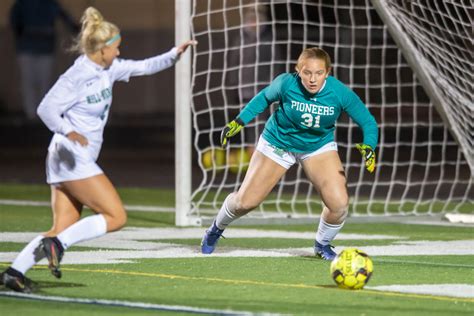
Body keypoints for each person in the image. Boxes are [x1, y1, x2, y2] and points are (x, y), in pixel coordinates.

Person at [0, 7, 197, 293]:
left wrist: (174, 54)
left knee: (63, 226)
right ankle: (57, 245)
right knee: (116, 216)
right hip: (70, 156)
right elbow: (46, 109)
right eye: (115, 49)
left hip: (68, 158)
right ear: (100, 49)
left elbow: (143, 66)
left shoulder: (108, 68)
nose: (118, 53)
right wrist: (69, 131)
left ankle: (14, 273)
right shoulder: (77, 75)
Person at [201, 47, 378, 259]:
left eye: (319, 73)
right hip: (278, 143)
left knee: (339, 204)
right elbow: (263, 98)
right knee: (245, 202)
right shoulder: (286, 83)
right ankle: (215, 229)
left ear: (328, 72)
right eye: (307, 73)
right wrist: (239, 121)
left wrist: (369, 146)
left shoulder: (339, 93)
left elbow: (368, 122)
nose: (313, 79)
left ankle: (322, 244)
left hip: (317, 146)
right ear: (298, 70)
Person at [226, 5, 284, 155]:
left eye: (257, 20)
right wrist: (233, 85)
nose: (254, 23)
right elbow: (233, 63)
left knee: (264, 124)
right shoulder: (240, 39)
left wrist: (275, 88)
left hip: (264, 90)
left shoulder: (269, 39)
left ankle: (267, 154)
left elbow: (276, 64)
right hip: (245, 89)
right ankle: (254, 154)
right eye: (251, 20)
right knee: (249, 123)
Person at [10, 0, 79, 120]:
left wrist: (75, 27)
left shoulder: (50, 4)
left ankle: (41, 113)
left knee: (44, 82)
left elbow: (65, 17)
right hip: (27, 48)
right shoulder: (22, 3)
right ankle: (31, 113)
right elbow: (14, 19)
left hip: (44, 48)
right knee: (29, 81)